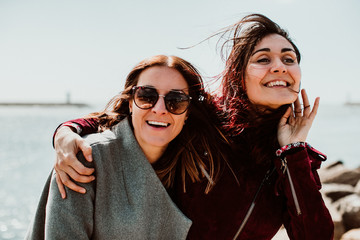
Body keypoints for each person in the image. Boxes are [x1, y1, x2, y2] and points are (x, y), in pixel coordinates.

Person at [48, 14, 334, 239]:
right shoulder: (206, 119)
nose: (280, 67)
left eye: (289, 59)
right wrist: (66, 132)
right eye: (263, 59)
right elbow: (127, 116)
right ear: (239, 74)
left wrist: (293, 151)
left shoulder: (291, 159)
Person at [26, 55, 231, 239]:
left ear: (187, 112)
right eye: (146, 96)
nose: (159, 109)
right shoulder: (86, 157)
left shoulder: (199, 169)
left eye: (175, 101)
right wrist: (64, 131)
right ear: (131, 103)